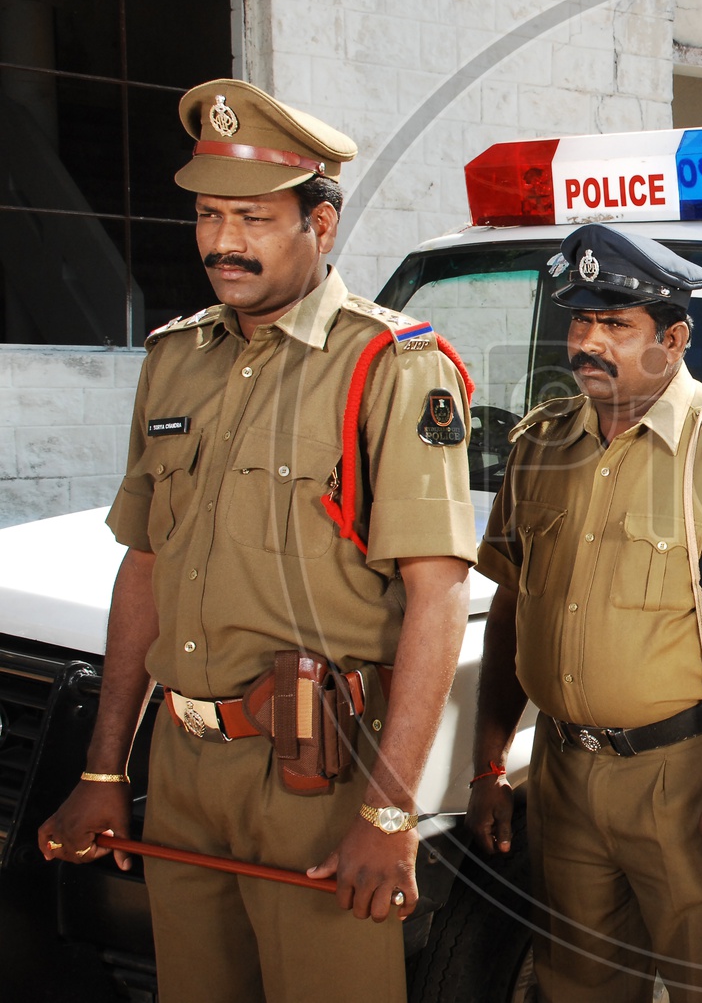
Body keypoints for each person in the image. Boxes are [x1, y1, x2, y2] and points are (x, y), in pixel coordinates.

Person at [36, 79, 476, 1003]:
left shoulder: (389, 366)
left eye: (253, 217)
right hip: (183, 763)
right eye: (207, 214)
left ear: (321, 225)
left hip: (316, 770)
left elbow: (435, 596)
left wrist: (390, 809)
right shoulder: (174, 359)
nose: (223, 242)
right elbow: (144, 565)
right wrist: (103, 765)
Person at [466, 223, 702, 1002]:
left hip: (684, 775)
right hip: (563, 772)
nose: (589, 343)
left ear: (674, 336)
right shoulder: (540, 448)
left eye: (617, 326)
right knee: (578, 985)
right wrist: (489, 762)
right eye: (581, 322)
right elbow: (508, 605)